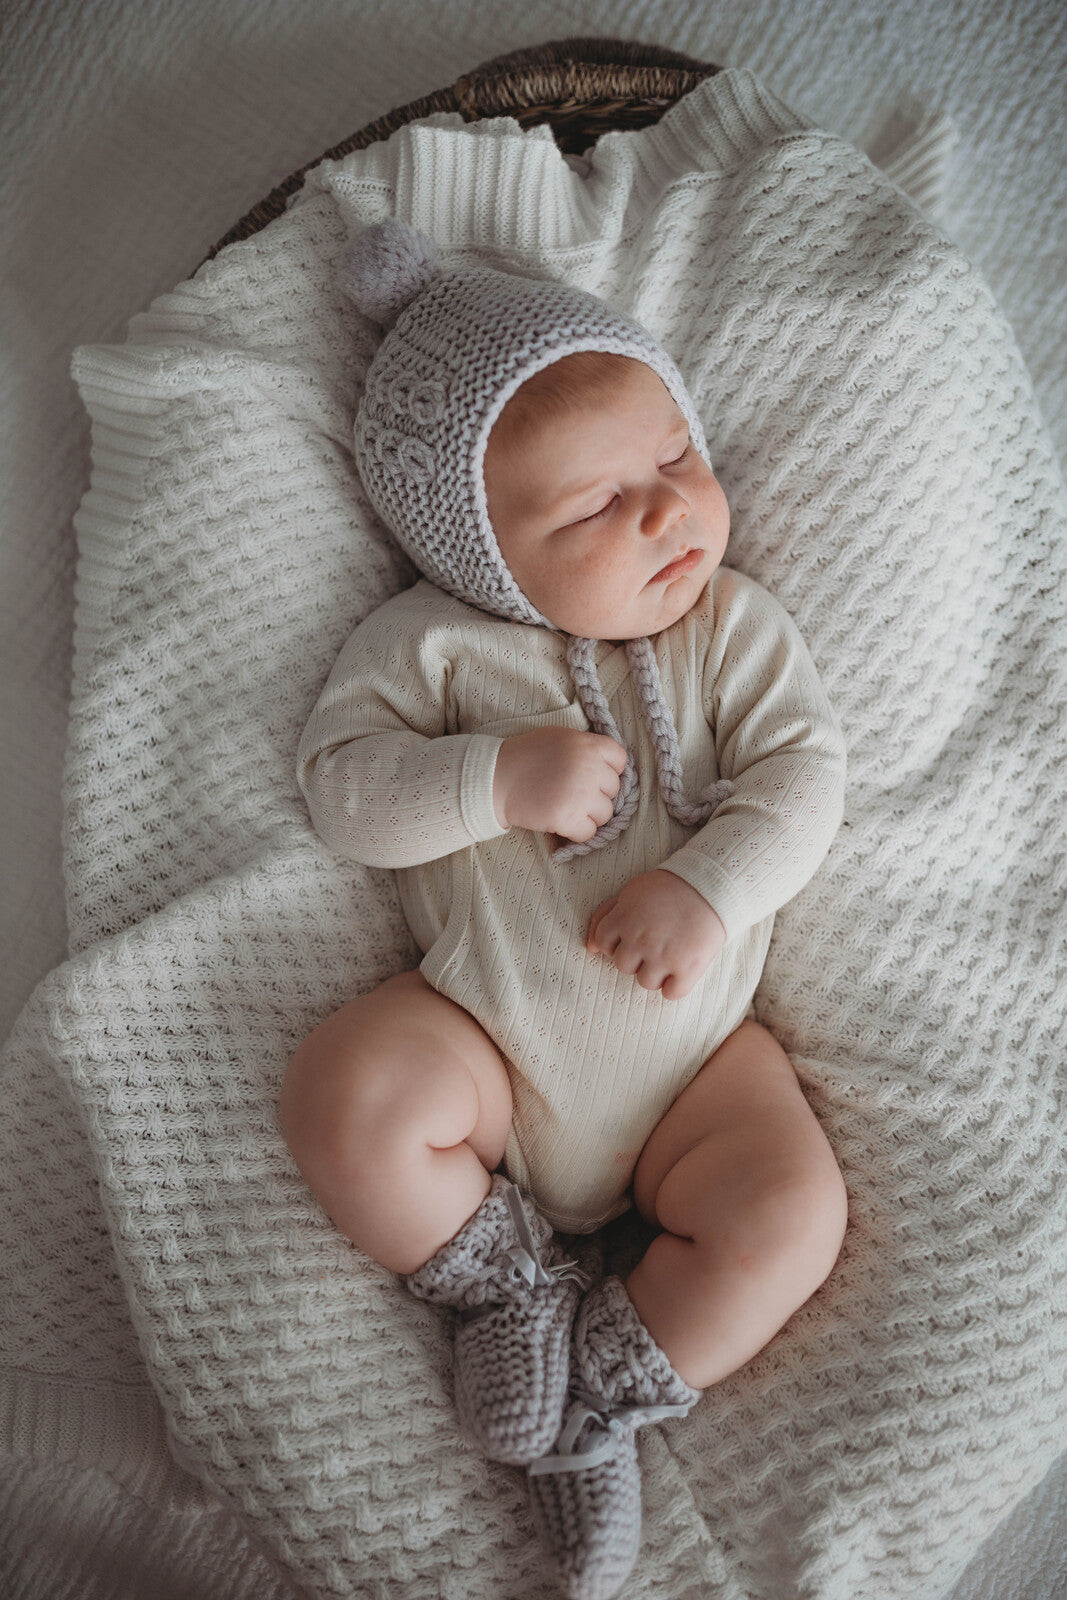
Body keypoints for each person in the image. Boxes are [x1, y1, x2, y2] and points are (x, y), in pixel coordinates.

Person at [279, 219, 848, 1600]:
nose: (663, 512)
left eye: (673, 461)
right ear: (476, 552)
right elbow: (341, 792)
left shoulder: (730, 632)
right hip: (486, 1044)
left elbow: (805, 781)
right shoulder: (432, 646)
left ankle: (602, 1402)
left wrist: (706, 887)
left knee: (791, 1212)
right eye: (592, 509)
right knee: (343, 1091)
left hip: (703, 1071)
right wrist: (494, 778)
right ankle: (506, 1286)